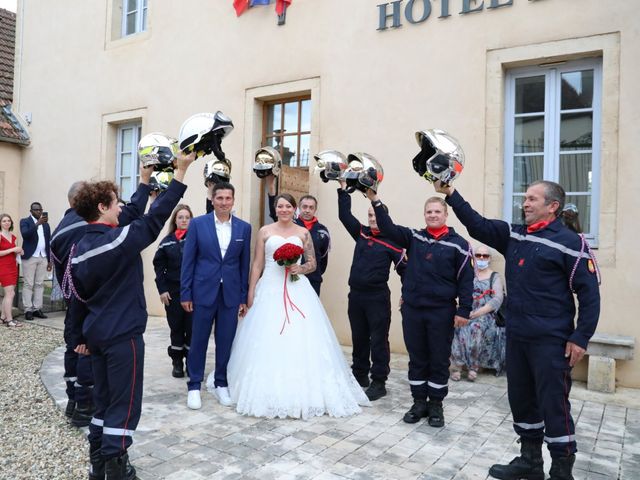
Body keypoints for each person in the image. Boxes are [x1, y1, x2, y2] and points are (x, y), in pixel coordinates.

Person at [435, 179, 600, 480]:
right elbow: (477, 224)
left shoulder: (571, 242)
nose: (525, 203)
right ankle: (530, 461)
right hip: (518, 336)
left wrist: (581, 337)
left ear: (552, 206)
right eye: (525, 197)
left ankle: (562, 470)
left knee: (553, 403)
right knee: (521, 399)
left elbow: (589, 293)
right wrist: (450, 193)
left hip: (552, 340)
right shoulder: (514, 235)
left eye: (533, 199)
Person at [69, 153, 193, 480]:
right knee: (125, 405)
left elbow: (134, 214)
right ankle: (117, 467)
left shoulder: (84, 246)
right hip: (122, 335)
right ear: (101, 209)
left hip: (98, 334)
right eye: (115, 203)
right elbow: (151, 222)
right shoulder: (113, 243)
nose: (120, 207)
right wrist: (180, 172)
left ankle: (99, 465)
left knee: (104, 403)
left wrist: (143, 179)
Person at [217, 193, 370, 419]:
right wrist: (250, 292)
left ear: (294, 209)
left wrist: (300, 268)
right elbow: (257, 264)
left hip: (297, 289)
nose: (284, 210)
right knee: (268, 335)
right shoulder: (265, 232)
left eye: (288, 206)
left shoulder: (303, 233)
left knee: (301, 335)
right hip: (270, 287)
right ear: (276, 209)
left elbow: (312, 263)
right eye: (280, 206)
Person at [366, 189, 473, 428]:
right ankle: (418, 403)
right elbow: (388, 227)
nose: (433, 215)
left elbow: (466, 280)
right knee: (417, 359)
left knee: (438, 359)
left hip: (441, 312)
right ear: (424, 215)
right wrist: (375, 199)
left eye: (437, 212)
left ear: (446, 215)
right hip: (413, 310)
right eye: (429, 212)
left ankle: (436, 405)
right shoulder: (414, 237)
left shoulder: (460, 245)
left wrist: (464, 310)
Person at [51, 180, 152, 427]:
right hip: (100, 303)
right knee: (93, 360)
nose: (118, 208)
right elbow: (133, 213)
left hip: (75, 302)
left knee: (74, 349)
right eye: (114, 203)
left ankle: (75, 402)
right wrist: (145, 183)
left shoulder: (58, 232)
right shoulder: (90, 229)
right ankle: (86, 405)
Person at [180, 182, 251, 410]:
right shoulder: (198, 224)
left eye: (227, 198)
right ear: (212, 200)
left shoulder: (243, 228)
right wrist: (185, 292)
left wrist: (242, 296)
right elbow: (188, 261)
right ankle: (194, 386)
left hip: (229, 294)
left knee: (225, 340)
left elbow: (244, 265)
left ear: (233, 200)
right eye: (219, 198)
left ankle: (221, 383)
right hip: (202, 291)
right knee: (198, 340)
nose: (223, 202)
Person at [337, 181, 405, 402]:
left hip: (377, 298)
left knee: (378, 340)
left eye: (375, 215)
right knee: (359, 337)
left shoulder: (393, 242)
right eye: (369, 215)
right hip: (356, 295)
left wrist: (408, 294)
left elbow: (406, 271)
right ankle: (359, 375)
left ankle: (378, 381)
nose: (372, 219)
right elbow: (344, 216)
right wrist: (343, 188)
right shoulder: (361, 233)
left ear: (383, 216)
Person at [266, 175, 330, 295]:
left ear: (315, 209)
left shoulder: (322, 231)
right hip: (292, 277)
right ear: (298, 208)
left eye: (311, 207)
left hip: (313, 279)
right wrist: (271, 187)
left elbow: (324, 258)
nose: (307, 210)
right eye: (304, 207)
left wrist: (313, 272)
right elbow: (275, 213)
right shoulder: (291, 224)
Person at [450, 244, 505, 381]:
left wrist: (476, 313)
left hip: (485, 314)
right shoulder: (468, 274)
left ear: (489, 258)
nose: (481, 258)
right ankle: (457, 366)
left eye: (484, 256)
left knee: (476, 328)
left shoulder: (494, 277)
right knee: (458, 325)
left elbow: (497, 299)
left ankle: (473, 367)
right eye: (478, 255)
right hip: (466, 310)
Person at [153, 204, 193, 378]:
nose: (184, 220)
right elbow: (159, 269)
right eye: (180, 217)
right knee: (176, 327)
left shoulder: (197, 239)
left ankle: (191, 363)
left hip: (193, 293)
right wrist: (162, 290)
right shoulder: (166, 242)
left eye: (187, 217)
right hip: (173, 293)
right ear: (175, 220)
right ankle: (177, 362)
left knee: (192, 328)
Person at [19, 201, 52, 320]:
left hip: (43, 257)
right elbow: (25, 234)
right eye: (36, 210)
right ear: (31, 211)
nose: (39, 211)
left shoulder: (46, 224)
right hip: (30, 257)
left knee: (39, 284)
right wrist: (37, 223)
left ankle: (37, 309)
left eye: (40, 209)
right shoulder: (25, 221)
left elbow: (48, 242)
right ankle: (28, 310)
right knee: (29, 284)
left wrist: (49, 260)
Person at [0, 213, 23, 327]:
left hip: (13, 266)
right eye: (4, 221)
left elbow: (14, 251)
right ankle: (10, 320)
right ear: (0, 223)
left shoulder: (13, 236)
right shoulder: (0, 235)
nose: (6, 222)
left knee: (9, 293)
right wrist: (13, 249)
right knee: (10, 293)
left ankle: (3, 317)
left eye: (8, 220)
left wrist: (19, 251)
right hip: (3, 266)